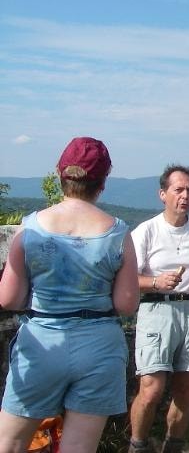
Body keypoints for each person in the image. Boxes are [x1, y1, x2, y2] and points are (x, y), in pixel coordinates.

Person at [0, 137, 139, 453]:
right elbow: (126, 304)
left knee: (10, 442)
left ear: (59, 173)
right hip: (100, 346)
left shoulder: (30, 228)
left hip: (42, 342)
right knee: (79, 447)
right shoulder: (118, 232)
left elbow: (9, 299)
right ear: (102, 183)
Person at [128, 165, 189, 453]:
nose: (185, 196)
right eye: (178, 190)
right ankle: (137, 445)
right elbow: (127, 278)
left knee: (186, 386)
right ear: (163, 194)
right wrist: (155, 282)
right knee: (151, 388)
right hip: (156, 309)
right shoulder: (147, 231)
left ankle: (174, 446)